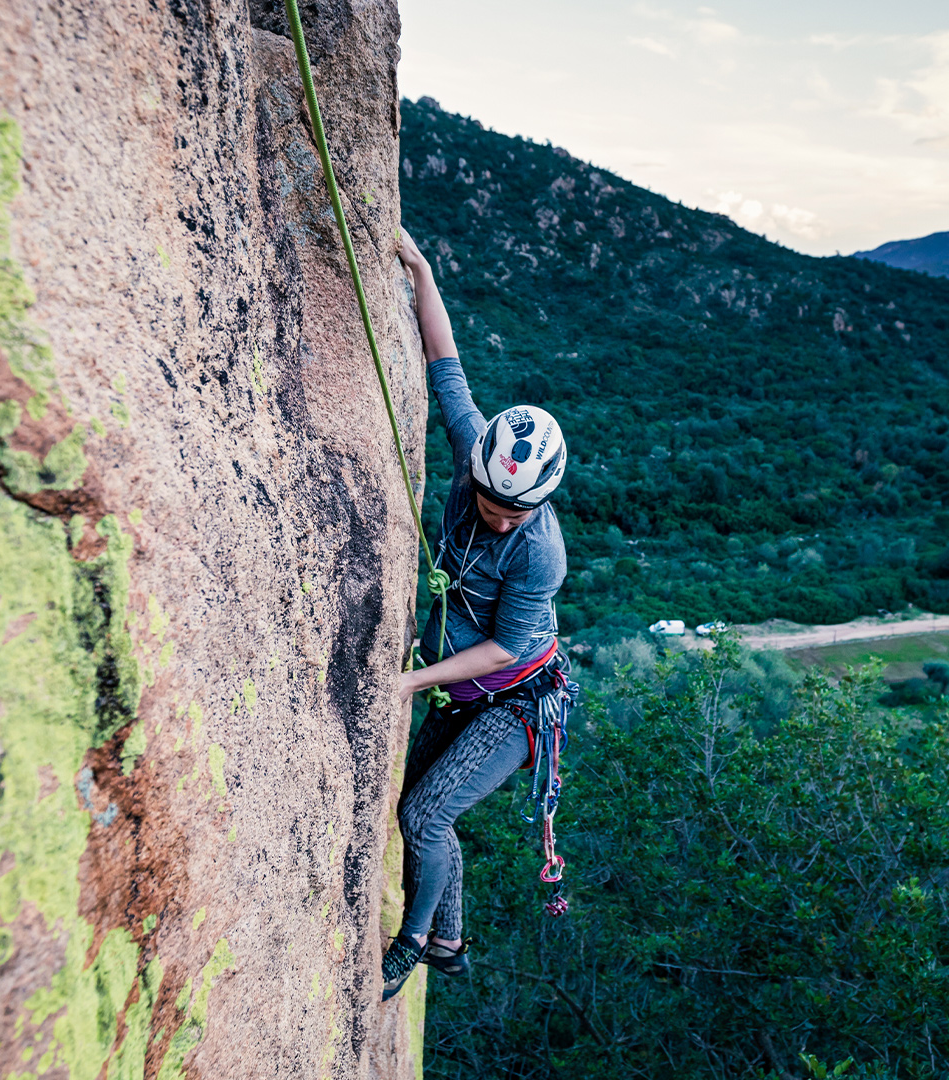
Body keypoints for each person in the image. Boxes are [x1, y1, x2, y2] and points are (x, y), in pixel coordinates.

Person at [382, 231, 570, 1002]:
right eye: (487, 503)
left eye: (509, 513)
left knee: (424, 816)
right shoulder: (474, 454)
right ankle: (453, 937)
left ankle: (416, 943)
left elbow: (502, 649)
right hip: (468, 693)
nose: (494, 519)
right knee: (415, 809)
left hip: (518, 700)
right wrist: (424, 270)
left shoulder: (540, 554)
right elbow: (446, 365)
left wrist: (411, 681)